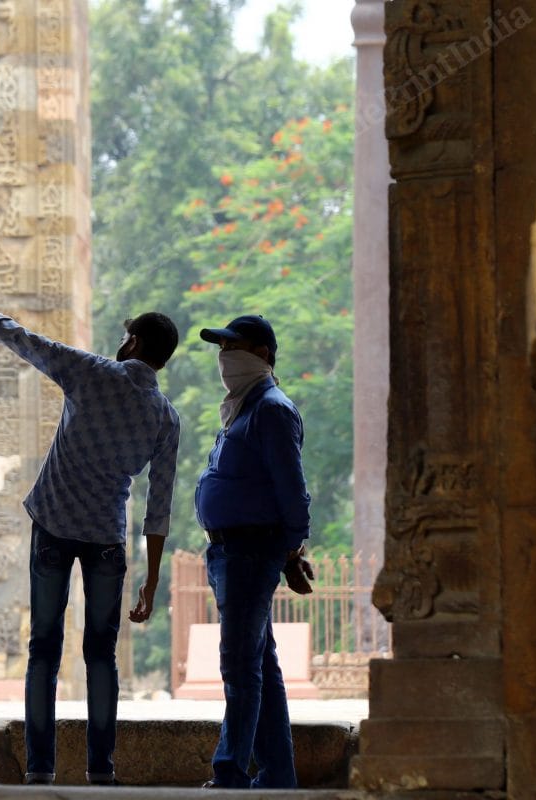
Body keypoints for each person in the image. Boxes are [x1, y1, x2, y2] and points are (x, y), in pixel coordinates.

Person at [0, 303, 181, 787]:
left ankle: (40, 768)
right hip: (106, 542)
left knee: (44, 651)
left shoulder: (92, 374)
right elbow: (159, 508)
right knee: (101, 656)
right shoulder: (165, 418)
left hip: (54, 525)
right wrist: (152, 580)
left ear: (132, 343)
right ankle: (101, 769)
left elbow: (29, 343)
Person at [193, 314, 315, 790]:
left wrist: (291, 549)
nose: (225, 357)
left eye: (234, 347)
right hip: (232, 551)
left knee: (239, 664)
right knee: (259, 664)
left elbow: (292, 489)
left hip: (249, 551)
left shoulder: (271, 409)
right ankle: (277, 774)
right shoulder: (244, 407)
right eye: (221, 348)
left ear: (263, 354)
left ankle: (229, 771)